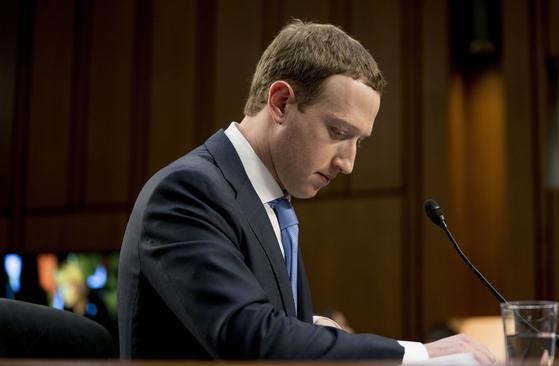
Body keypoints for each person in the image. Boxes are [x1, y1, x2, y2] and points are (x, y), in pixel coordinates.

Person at [118, 20, 495, 364]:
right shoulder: (189, 191)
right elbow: (249, 338)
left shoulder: (271, 203)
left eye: (358, 142)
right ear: (281, 103)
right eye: (338, 133)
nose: (347, 163)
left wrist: (312, 328)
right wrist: (418, 355)